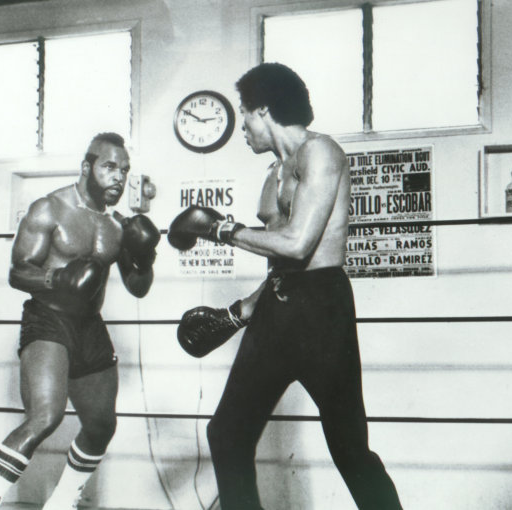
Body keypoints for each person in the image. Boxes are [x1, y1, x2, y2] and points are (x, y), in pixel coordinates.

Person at [168, 63, 403, 510]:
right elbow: (281, 266)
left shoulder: (322, 152)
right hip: (278, 306)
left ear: (263, 110)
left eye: (244, 115)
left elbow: (298, 246)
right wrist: (239, 312)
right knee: (227, 433)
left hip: (321, 309)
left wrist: (220, 230)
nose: (243, 129)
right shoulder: (272, 176)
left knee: (349, 449)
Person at [0, 132, 159, 510]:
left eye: (124, 170)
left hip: (89, 325)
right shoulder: (49, 209)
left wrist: (143, 257)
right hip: (48, 319)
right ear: (87, 166)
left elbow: (138, 287)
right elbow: (17, 272)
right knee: (45, 417)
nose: (119, 177)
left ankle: (60, 503)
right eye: (109, 167)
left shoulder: (117, 226)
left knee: (102, 425)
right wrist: (57, 278)